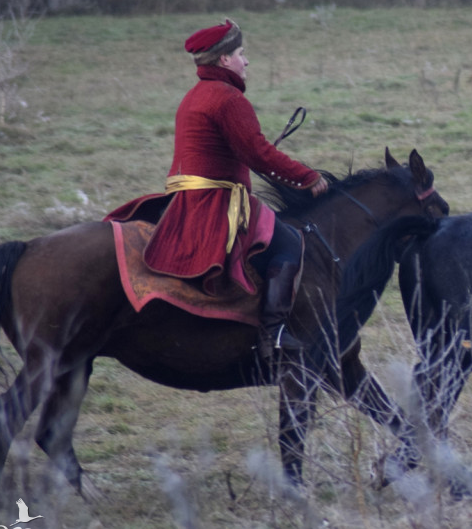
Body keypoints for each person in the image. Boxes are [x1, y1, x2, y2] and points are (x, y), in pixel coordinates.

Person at [105, 18, 328, 358]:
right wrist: (307, 177)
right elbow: (259, 154)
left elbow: (239, 152)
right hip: (216, 202)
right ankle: (274, 333)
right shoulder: (227, 98)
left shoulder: (194, 96)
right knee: (289, 243)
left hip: (184, 197)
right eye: (241, 53)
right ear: (224, 60)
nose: (246, 61)